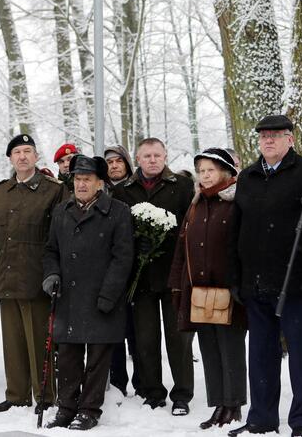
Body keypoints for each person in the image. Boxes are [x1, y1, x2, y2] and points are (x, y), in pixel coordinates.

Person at [227, 115, 302, 437]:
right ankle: (261, 417)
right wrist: (236, 277)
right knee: (260, 355)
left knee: (301, 356)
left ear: (290, 139)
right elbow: (237, 230)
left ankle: (301, 421)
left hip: (296, 283)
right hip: (255, 282)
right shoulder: (247, 177)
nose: (268, 141)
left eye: (276, 135)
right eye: (263, 136)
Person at [0, 134, 68, 414]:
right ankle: (17, 394)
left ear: (36, 157)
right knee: (12, 341)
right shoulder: (0, 192)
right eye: (17, 152)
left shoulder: (54, 190)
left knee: (40, 341)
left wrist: (57, 273)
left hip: (38, 277)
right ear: (10, 158)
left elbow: (61, 237)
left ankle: (45, 395)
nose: (23, 156)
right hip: (7, 275)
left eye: (28, 151)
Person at [42, 154, 134, 430]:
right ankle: (66, 407)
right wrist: (52, 275)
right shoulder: (62, 210)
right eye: (78, 179)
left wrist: (108, 295)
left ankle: (89, 409)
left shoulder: (118, 211)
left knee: (97, 358)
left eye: (87, 179)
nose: (81, 184)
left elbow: (123, 258)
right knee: (68, 357)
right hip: (68, 296)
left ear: (100, 183)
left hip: (101, 297)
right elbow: (50, 250)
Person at [112, 137, 196, 415]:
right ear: (137, 159)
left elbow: (189, 226)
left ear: (165, 156)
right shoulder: (124, 190)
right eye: (146, 156)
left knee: (178, 338)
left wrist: (168, 237)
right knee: (145, 338)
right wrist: (139, 244)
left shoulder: (182, 186)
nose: (152, 160)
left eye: (157, 155)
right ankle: (152, 390)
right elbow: (119, 232)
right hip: (141, 276)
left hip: (173, 274)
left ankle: (182, 394)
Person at [168, 148, 247, 430]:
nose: (204, 175)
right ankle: (218, 405)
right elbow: (182, 247)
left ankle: (233, 405)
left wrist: (240, 284)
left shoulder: (237, 202)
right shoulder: (196, 204)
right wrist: (178, 285)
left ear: (226, 172)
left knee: (231, 350)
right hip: (199, 293)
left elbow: (245, 247)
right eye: (201, 171)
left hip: (230, 292)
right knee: (210, 350)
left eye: (210, 170)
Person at [103, 144, 140, 396]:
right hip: (106, 272)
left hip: (135, 271)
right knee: (112, 332)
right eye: (109, 162)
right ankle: (117, 383)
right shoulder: (100, 190)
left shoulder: (137, 190)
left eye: (118, 161)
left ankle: (143, 382)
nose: (114, 165)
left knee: (137, 334)